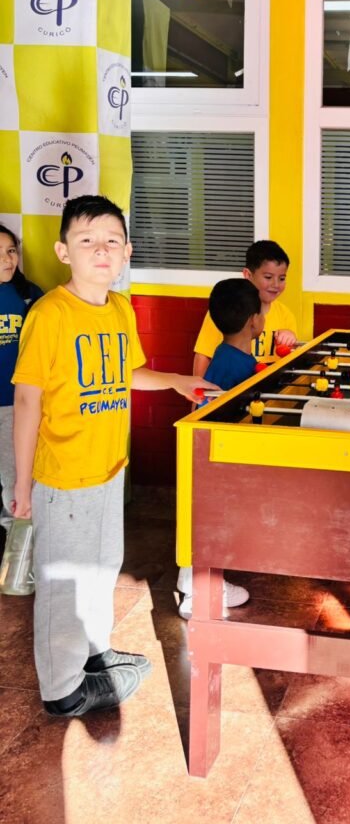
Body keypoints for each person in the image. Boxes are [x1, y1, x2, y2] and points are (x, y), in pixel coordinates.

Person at [12, 195, 212, 718]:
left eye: (111, 241)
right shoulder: (50, 314)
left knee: (103, 567)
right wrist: (22, 482)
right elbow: (28, 400)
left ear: (127, 251)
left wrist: (176, 381)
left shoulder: (120, 309)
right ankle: (64, 689)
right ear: (63, 251)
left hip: (108, 469)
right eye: (87, 241)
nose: (101, 250)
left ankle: (93, 653)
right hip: (63, 477)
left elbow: (126, 373)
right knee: (65, 582)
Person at [177, 278, 264, 619]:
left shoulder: (230, 355)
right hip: (215, 455)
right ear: (253, 321)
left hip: (212, 453)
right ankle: (198, 593)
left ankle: (194, 582)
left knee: (210, 520)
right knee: (211, 523)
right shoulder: (236, 364)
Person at [193, 240, 297, 377]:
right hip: (232, 387)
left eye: (282, 278)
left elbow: (291, 360)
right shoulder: (227, 308)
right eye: (268, 277)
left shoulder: (285, 315)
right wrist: (199, 387)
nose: (276, 284)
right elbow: (203, 355)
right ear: (248, 275)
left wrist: (290, 339)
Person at [0, 224, 43, 533]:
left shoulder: (29, 295)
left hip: (13, 406)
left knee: (15, 481)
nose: (7, 259)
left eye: (11, 251)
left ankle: (19, 549)